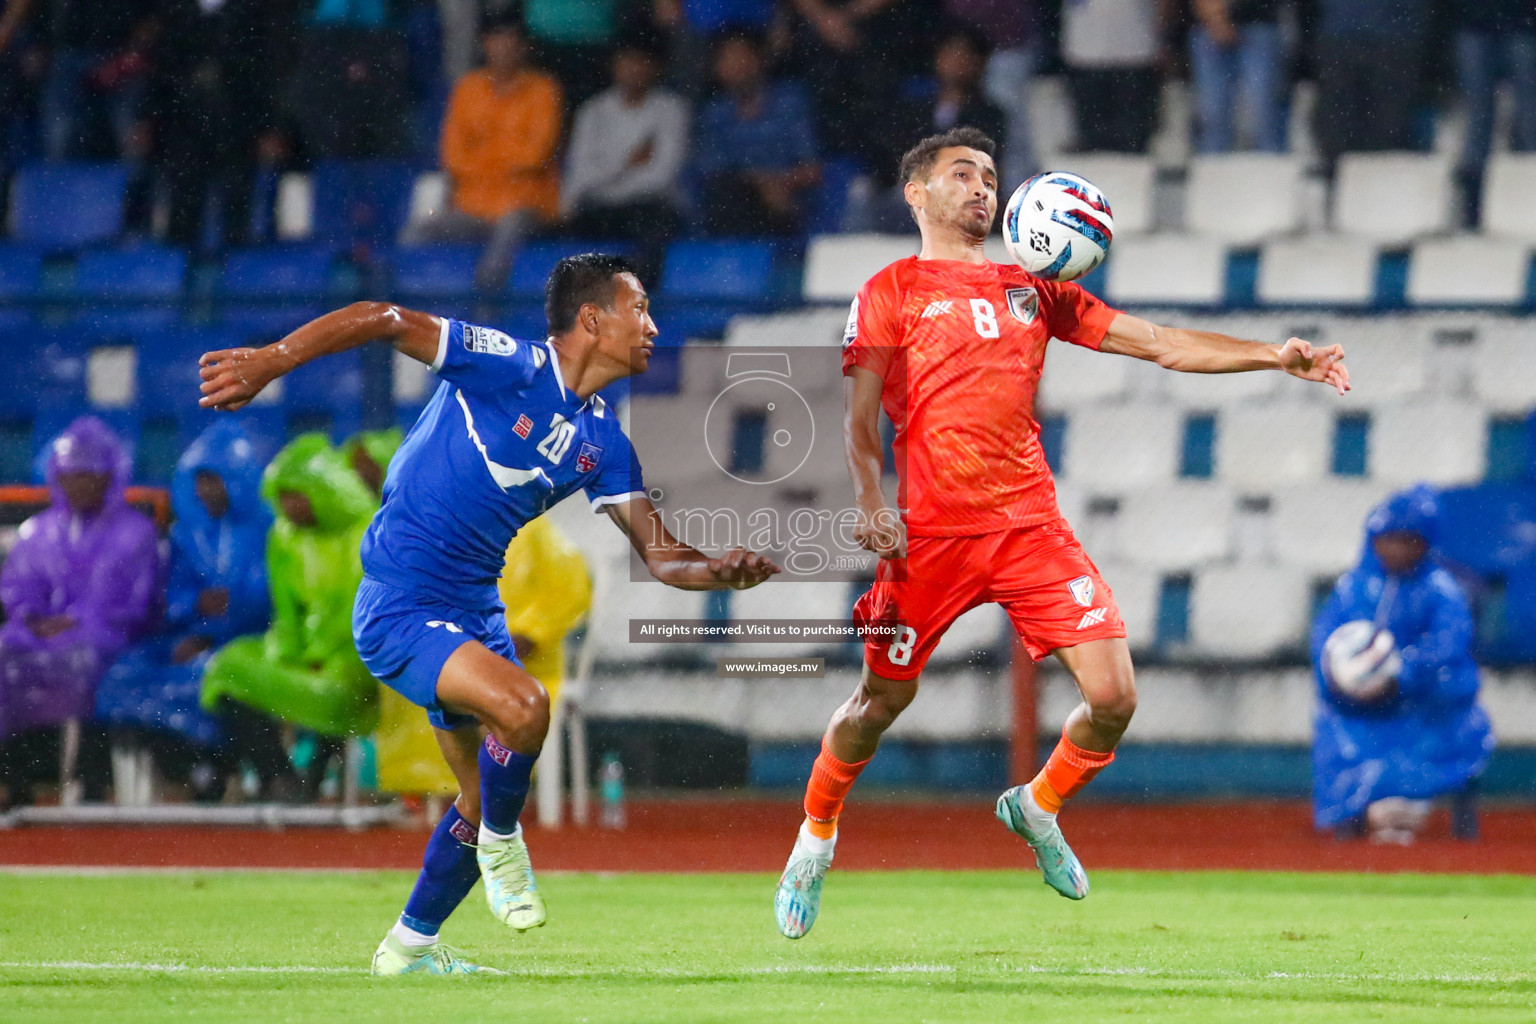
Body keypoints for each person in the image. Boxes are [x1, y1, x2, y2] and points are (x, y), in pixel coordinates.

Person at [772, 126, 1351, 939]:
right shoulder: (890, 289)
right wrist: (871, 500)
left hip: (1027, 527)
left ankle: (1036, 808)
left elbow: (1159, 344)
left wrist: (1272, 356)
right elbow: (859, 416)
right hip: (929, 536)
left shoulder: (1032, 288)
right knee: (879, 702)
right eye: (962, 174)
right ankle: (815, 838)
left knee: (1113, 697)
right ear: (917, 194)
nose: (982, 188)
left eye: (990, 177)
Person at [196, 252, 779, 975]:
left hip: (475, 611)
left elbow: (663, 557)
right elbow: (383, 318)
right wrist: (271, 361)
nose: (654, 327)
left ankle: (410, 947)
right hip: (401, 605)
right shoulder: (509, 365)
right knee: (525, 710)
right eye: (641, 310)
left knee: (475, 797)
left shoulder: (604, 444)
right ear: (592, 320)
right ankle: (507, 844)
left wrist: (720, 571)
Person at [94, 419, 285, 802]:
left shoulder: (271, 529)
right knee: (121, 677)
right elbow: (169, 597)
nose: (206, 490)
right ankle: (196, 770)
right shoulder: (187, 534)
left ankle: (224, 770)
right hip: (187, 639)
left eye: (215, 479)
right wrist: (194, 607)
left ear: (239, 479)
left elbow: (269, 599)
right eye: (201, 480)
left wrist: (212, 632)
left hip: (251, 640)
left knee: (216, 676)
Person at [199, 434, 380, 798]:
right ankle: (279, 776)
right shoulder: (283, 537)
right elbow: (286, 614)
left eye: (296, 495)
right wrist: (289, 654)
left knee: (333, 687)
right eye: (282, 498)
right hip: (306, 657)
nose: (289, 507)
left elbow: (364, 610)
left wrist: (319, 655)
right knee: (229, 667)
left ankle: (311, 777)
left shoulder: (369, 531)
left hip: (358, 657)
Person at [1311, 485, 1494, 844]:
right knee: (1338, 729)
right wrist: (1340, 679)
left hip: (1422, 701)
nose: (1394, 549)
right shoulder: (1352, 588)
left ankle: (1451, 823)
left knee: (1449, 719)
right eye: (1386, 539)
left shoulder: (1442, 590)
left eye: (1406, 540)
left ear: (1424, 544)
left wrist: (1401, 675)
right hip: (1360, 706)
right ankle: (1351, 819)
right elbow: (1325, 640)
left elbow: (1448, 646)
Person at [0, 416, 159, 807]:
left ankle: (91, 781)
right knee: (9, 655)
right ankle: (17, 781)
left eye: (88, 475)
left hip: (112, 637)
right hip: (43, 633)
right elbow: (18, 588)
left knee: (86, 664)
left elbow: (135, 602)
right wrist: (34, 618)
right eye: (70, 475)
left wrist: (78, 621)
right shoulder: (38, 531)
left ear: (109, 477)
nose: (78, 484)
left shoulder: (135, 533)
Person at [402, 14, 562, 290]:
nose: (504, 47)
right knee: (416, 231)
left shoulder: (544, 90)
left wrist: (483, 153)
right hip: (472, 205)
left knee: (509, 229)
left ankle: (486, 313)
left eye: (512, 41)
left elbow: (535, 155)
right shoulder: (467, 89)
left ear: (525, 47)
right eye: (496, 40)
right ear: (485, 44)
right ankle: (405, 313)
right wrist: (505, 157)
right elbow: (454, 157)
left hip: (525, 204)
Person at [560, 30, 688, 280]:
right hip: (600, 208)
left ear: (655, 67)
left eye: (641, 62)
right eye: (627, 61)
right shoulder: (593, 111)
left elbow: (661, 176)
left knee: (656, 224)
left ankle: (641, 297)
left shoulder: (671, 110)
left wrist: (607, 179)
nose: (633, 69)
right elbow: (580, 174)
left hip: (647, 207)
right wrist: (628, 165)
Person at [693, 27, 821, 236]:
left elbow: (813, 168)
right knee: (725, 195)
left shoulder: (791, 101)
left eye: (742, 56)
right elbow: (711, 169)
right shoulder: (714, 112)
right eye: (728, 58)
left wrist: (781, 183)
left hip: (788, 195)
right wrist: (761, 184)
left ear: (761, 59)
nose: (736, 66)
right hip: (736, 198)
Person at [1060, 0, 1164, 153]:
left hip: (1135, 52)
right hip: (1085, 54)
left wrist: (1164, 36)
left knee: (1133, 139)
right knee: (1092, 140)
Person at [1187, 0, 1288, 154]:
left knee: (1262, 110)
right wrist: (1214, 16)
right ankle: (1212, 171)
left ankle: (1272, 170)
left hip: (1258, 22)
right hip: (1209, 26)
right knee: (1212, 112)